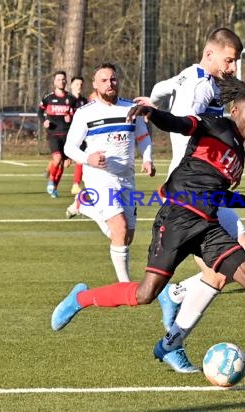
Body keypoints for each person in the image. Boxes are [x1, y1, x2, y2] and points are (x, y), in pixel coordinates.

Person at [51, 75, 245, 385]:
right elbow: (181, 123)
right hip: (176, 219)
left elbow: (218, 194)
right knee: (146, 294)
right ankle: (81, 299)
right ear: (234, 110)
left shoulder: (238, 154)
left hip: (207, 227)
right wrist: (153, 114)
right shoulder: (216, 125)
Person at [134, 27, 245, 370]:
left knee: (236, 269)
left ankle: (174, 303)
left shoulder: (195, 76)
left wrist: (151, 100)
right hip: (195, 190)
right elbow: (186, 124)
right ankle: (172, 334)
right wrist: (157, 113)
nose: (233, 67)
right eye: (230, 60)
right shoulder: (201, 86)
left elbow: (163, 87)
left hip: (206, 186)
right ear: (210, 54)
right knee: (232, 271)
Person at [64, 63, 155, 283]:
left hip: (126, 177)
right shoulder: (85, 113)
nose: (109, 84)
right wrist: (89, 158)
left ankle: (85, 204)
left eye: (113, 79)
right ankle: (125, 285)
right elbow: (69, 147)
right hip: (99, 177)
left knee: (125, 237)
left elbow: (142, 137)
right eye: (103, 80)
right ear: (95, 85)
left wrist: (147, 158)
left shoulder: (130, 109)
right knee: (120, 227)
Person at [37, 70, 77, 198]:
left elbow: (76, 116)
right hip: (53, 134)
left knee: (64, 164)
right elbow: (39, 112)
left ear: (66, 81)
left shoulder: (71, 99)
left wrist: (70, 119)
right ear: (54, 82)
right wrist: (45, 121)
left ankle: (54, 187)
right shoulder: (48, 97)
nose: (61, 81)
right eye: (58, 79)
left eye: (63, 79)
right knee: (57, 158)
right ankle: (51, 181)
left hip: (67, 135)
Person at [69, 76, 89, 195]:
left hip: (79, 135)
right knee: (61, 161)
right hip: (64, 133)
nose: (79, 86)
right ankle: (51, 178)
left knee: (81, 159)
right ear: (71, 86)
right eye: (77, 84)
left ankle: (76, 184)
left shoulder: (84, 102)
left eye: (81, 84)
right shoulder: (65, 99)